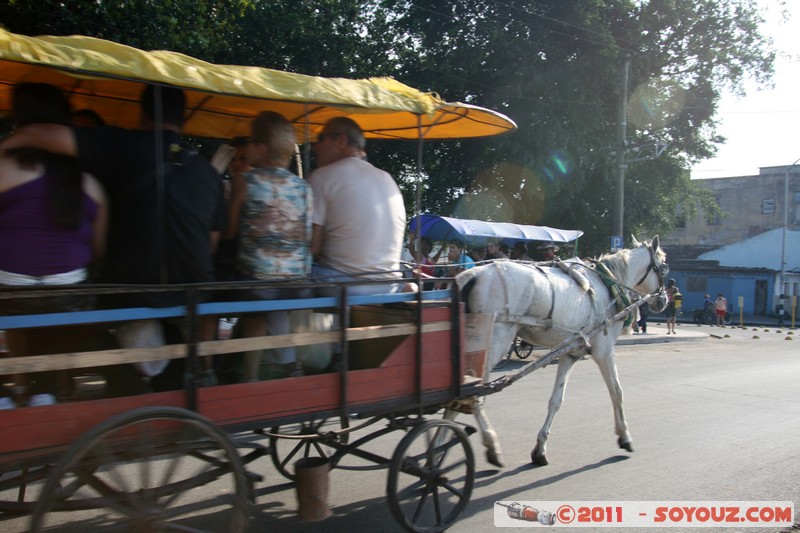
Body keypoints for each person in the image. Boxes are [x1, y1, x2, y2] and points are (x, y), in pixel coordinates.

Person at [2, 84, 225, 391]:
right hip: (191, 292)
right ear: (184, 119)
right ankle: (196, 375)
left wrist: (8, 148)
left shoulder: (120, 144)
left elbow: (42, 134)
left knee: (82, 299)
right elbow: (212, 243)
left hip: (131, 290)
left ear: (141, 114)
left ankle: (64, 388)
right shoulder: (207, 172)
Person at [0, 83, 108, 408]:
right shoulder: (90, 184)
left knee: (18, 296)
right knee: (54, 302)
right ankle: (49, 389)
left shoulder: (4, 168)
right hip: (70, 294)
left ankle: (19, 388)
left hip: (10, 290)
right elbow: (99, 250)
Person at [224, 111, 312, 380]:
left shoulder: (245, 181)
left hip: (258, 282)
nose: (246, 147)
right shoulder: (303, 186)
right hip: (299, 284)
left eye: (250, 141)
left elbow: (228, 232)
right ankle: (286, 363)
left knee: (251, 307)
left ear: (261, 148)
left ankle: (248, 376)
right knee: (268, 296)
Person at [309, 117, 406, 295]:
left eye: (321, 139)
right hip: (389, 285)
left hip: (345, 285)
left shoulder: (322, 176)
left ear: (341, 141)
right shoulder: (387, 178)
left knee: (280, 274)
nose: (315, 147)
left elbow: (312, 249)